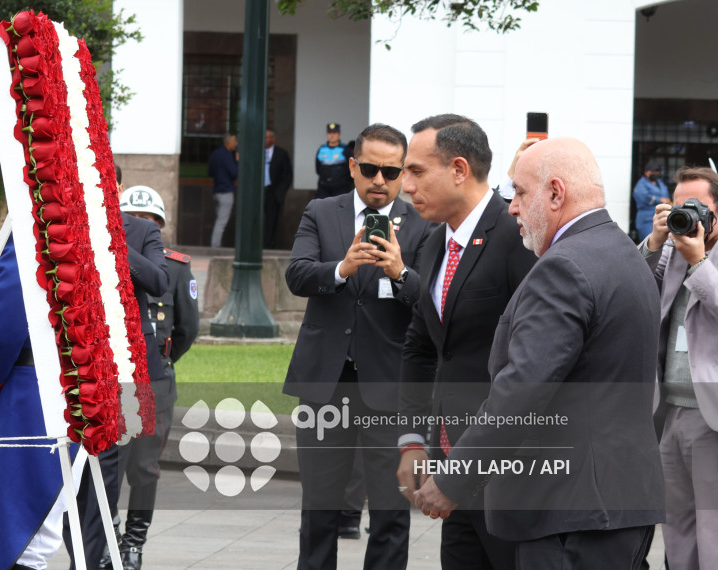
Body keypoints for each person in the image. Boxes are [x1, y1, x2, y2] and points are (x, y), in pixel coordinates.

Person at [413, 137, 665, 569]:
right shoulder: (624, 251)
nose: (511, 206)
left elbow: (522, 390)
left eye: (521, 192)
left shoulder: (563, 267)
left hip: (570, 512)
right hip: (618, 503)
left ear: (555, 192)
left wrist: (454, 479)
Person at [284, 123, 435, 570]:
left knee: (391, 511)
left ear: (404, 173)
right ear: (352, 166)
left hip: (389, 387)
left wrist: (401, 273)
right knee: (319, 509)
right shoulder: (321, 212)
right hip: (325, 385)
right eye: (369, 168)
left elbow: (431, 301)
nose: (379, 181)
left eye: (391, 172)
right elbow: (297, 274)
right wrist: (341, 268)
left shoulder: (422, 226)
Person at [396, 114, 536, 569]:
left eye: (416, 171)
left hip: (508, 473)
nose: (405, 186)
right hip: (449, 463)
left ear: (459, 169)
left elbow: (530, 366)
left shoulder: (518, 238)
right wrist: (413, 439)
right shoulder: (434, 244)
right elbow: (421, 347)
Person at [87, 185, 199, 570]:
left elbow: (187, 328)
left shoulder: (173, 264)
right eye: (137, 217)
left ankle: (134, 541)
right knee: (109, 459)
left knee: (143, 466)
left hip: (152, 375)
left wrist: (164, 364)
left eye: (151, 221)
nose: (143, 225)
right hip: (110, 373)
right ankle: (109, 535)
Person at [64, 168, 169, 570]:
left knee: (119, 472)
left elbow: (160, 280)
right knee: (79, 474)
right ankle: (87, 556)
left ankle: (105, 552)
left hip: (132, 369)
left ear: (118, 189)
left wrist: (114, 243)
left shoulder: (142, 231)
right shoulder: (64, 227)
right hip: (79, 364)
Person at [0, 235, 69, 570]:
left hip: (30, 399)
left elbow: (4, 327)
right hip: (80, 394)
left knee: (20, 543)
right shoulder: (92, 219)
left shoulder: (34, 222)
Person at [640, 166, 718, 569]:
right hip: (668, 410)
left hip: (713, 417)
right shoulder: (670, 248)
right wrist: (654, 241)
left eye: (697, 207)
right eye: (677, 205)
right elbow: (633, 284)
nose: (687, 214)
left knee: (712, 528)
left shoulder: (696, 254)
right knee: (677, 525)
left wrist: (700, 261)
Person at [263, 129, 293, 249]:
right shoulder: (257, 152)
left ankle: (269, 246)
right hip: (259, 192)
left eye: (268, 137)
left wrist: (279, 193)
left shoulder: (281, 153)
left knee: (272, 221)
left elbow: (287, 175)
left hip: (273, 191)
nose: (265, 140)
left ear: (273, 138)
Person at [208, 133, 239, 247]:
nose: (236, 144)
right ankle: (215, 246)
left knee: (219, 219)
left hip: (216, 191)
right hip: (226, 191)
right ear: (228, 142)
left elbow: (210, 172)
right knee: (221, 221)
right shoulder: (227, 156)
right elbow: (235, 173)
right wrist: (237, 162)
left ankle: (215, 245)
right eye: (235, 141)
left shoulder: (215, 154)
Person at [634, 160, 671, 239]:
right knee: (649, 241)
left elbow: (666, 194)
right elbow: (644, 197)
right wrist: (660, 200)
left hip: (663, 218)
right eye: (653, 171)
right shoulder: (641, 184)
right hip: (647, 219)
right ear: (646, 172)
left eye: (657, 171)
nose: (655, 173)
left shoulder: (660, 182)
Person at [315, 122, 353, 199]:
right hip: (324, 188)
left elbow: (352, 167)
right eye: (330, 133)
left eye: (334, 133)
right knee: (322, 208)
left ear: (339, 134)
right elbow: (318, 169)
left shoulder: (345, 149)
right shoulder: (322, 149)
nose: (332, 135)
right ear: (327, 134)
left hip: (341, 188)